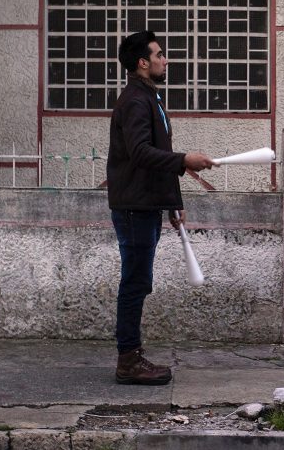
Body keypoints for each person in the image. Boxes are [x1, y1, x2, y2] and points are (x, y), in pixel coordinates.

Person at [107, 30, 215, 385]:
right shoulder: (136, 101)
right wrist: (185, 158)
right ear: (143, 62)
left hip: (146, 204)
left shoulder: (148, 98)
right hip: (134, 207)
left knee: (139, 282)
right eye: (159, 55)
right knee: (136, 283)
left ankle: (131, 355)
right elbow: (140, 154)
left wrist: (174, 204)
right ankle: (128, 360)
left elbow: (159, 157)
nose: (164, 60)